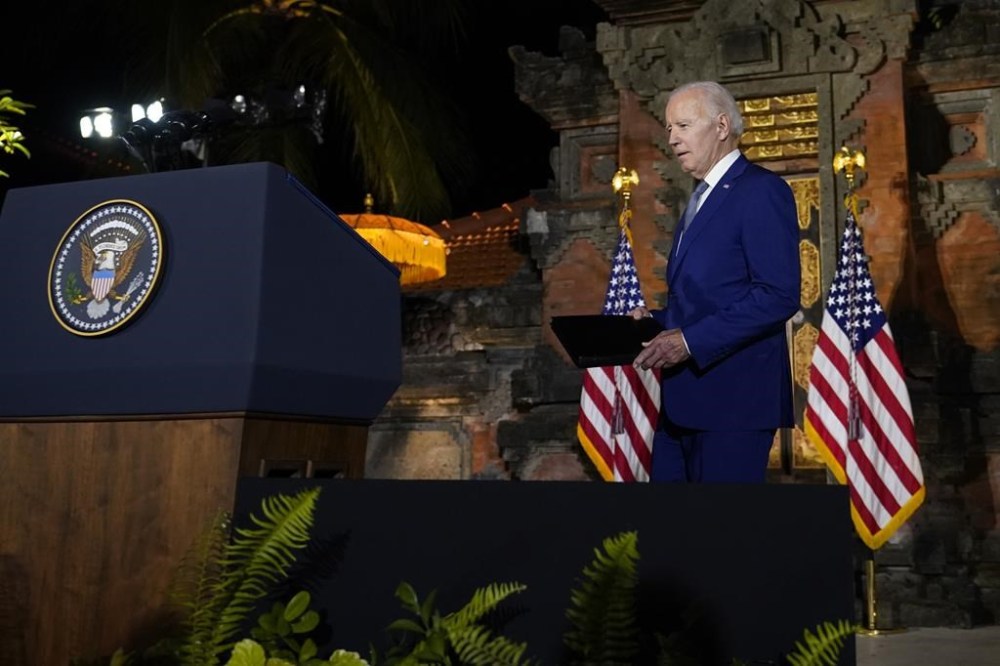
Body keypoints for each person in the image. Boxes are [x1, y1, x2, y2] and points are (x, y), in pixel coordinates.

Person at [631, 81, 800, 483]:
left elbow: (777, 295)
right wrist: (655, 321)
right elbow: (706, 300)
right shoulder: (698, 199)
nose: (672, 139)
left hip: (734, 406)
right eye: (669, 128)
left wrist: (688, 342)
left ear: (721, 126)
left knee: (722, 538)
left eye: (683, 125)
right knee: (670, 537)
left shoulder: (761, 190)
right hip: (682, 403)